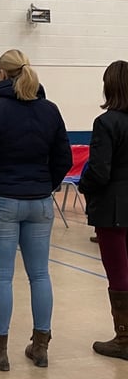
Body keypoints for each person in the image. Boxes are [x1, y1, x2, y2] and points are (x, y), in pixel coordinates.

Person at [0, 49, 72, 371]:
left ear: (1, 73)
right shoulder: (50, 110)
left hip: (1, 198)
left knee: (1, 276)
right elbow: (64, 159)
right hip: (39, 200)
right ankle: (40, 345)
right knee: (40, 274)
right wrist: (46, 185)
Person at [78, 60, 128, 361]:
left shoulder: (106, 123)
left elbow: (99, 171)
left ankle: (123, 338)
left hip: (113, 208)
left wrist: (84, 186)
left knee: (119, 271)